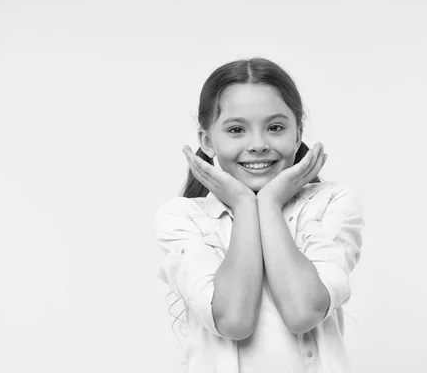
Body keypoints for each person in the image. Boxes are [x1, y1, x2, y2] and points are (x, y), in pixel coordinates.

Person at [156, 57, 364, 373]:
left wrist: (268, 204)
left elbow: (303, 312)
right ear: (207, 140)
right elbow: (234, 321)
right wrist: (243, 204)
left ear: (297, 135)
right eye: (237, 129)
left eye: (275, 127)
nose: (258, 144)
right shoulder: (184, 217)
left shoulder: (330, 203)